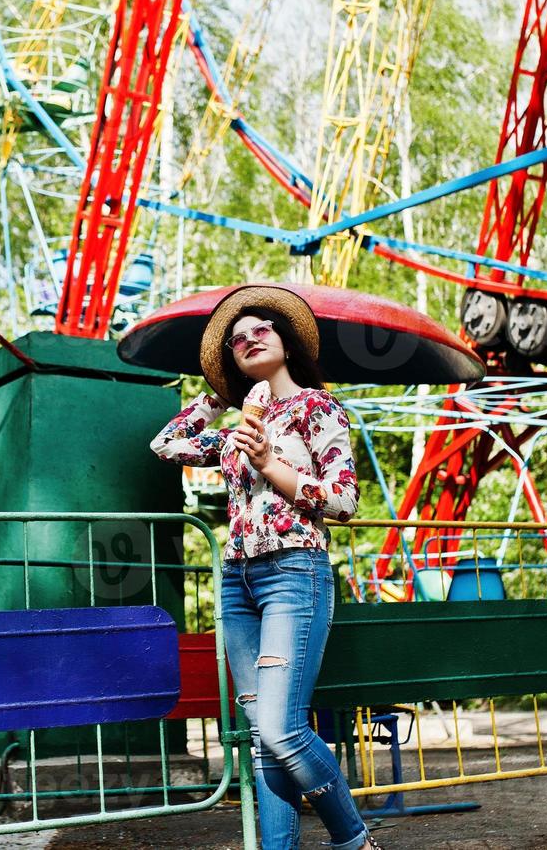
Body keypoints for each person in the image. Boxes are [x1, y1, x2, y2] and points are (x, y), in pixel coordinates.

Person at [149, 285, 382, 850]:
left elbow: (344, 503)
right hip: (238, 582)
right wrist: (219, 397)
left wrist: (269, 463)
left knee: (281, 728)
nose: (249, 339)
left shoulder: (317, 408)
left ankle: (355, 843)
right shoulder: (236, 432)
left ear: (285, 341)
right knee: (261, 738)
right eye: (236, 341)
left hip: (294, 572)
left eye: (261, 331)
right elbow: (166, 444)